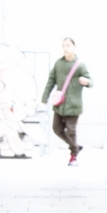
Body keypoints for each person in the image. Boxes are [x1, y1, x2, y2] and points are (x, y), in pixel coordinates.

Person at [41, 37, 93, 166]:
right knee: (56, 128)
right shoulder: (58, 64)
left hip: (74, 104)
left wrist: (86, 81)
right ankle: (75, 146)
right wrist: (44, 97)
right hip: (60, 104)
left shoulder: (80, 65)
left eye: (68, 45)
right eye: (63, 46)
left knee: (71, 130)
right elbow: (51, 81)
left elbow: (90, 81)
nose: (65, 48)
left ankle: (73, 156)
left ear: (74, 47)